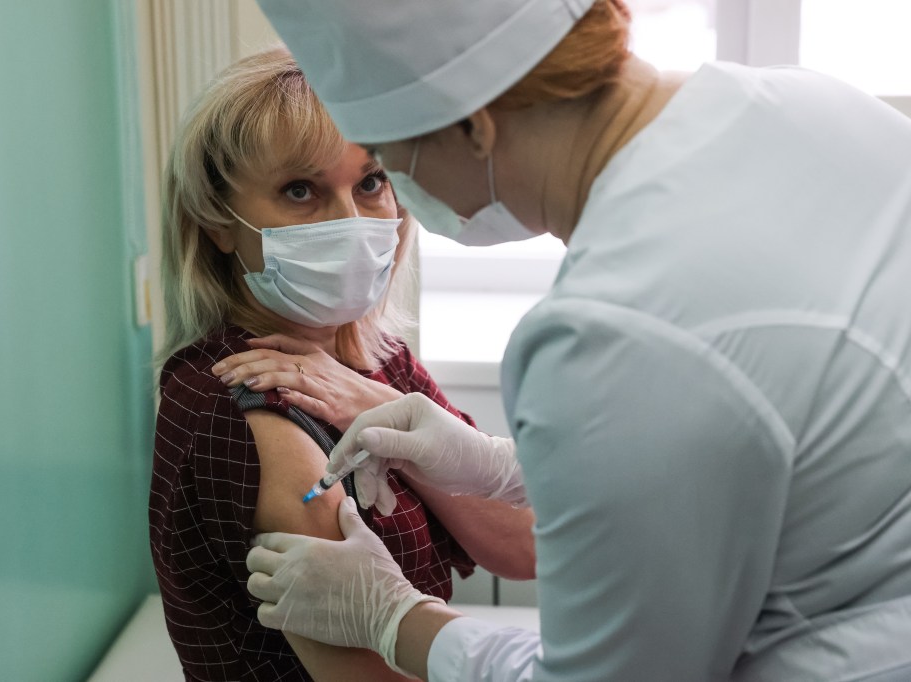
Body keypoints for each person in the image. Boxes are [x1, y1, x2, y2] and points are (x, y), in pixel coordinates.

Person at [243, 0, 911, 680]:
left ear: (472, 123)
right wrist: (501, 468)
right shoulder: (808, 102)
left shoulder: (612, 331)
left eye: (386, 164)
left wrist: (394, 618)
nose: (403, 204)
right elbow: (785, 429)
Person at [149, 45, 535, 682]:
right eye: (299, 190)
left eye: (371, 181)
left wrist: (394, 423)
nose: (349, 221)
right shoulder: (244, 403)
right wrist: (392, 620)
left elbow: (523, 547)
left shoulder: (378, 359)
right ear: (218, 220)